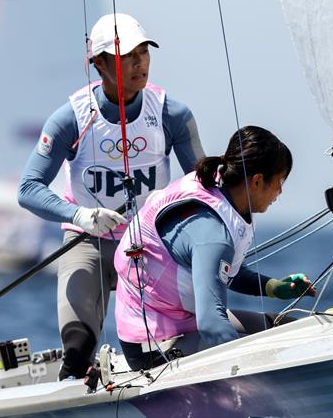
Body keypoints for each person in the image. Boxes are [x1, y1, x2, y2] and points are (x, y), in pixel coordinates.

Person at [17, 12, 205, 379]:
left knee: (184, 343)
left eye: (144, 53)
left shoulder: (173, 114)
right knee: (76, 351)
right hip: (89, 242)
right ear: (99, 64)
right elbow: (28, 190)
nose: (139, 63)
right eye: (126, 56)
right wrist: (80, 217)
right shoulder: (69, 118)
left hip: (150, 246)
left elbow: (203, 187)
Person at [114, 126, 315, 371]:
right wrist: (252, 377)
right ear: (257, 180)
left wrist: (272, 287)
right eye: (279, 182)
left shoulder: (219, 186)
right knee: (278, 353)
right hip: (155, 345)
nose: (280, 192)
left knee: (290, 330)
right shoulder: (212, 233)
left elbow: (222, 270)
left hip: (181, 323)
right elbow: (211, 324)